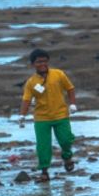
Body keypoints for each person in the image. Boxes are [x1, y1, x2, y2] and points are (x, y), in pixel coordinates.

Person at [19, 49, 78, 183]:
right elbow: (26, 100)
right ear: (33, 64)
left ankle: (67, 157)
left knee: (66, 140)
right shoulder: (31, 82)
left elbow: (70, 88)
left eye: (45, 61)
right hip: (42, 119)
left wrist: (72, 104)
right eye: (39, 61)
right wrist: (22, 116)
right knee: (43, 146)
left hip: (61, 115)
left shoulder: (58, 74)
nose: (43, 64)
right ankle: (44, 172)